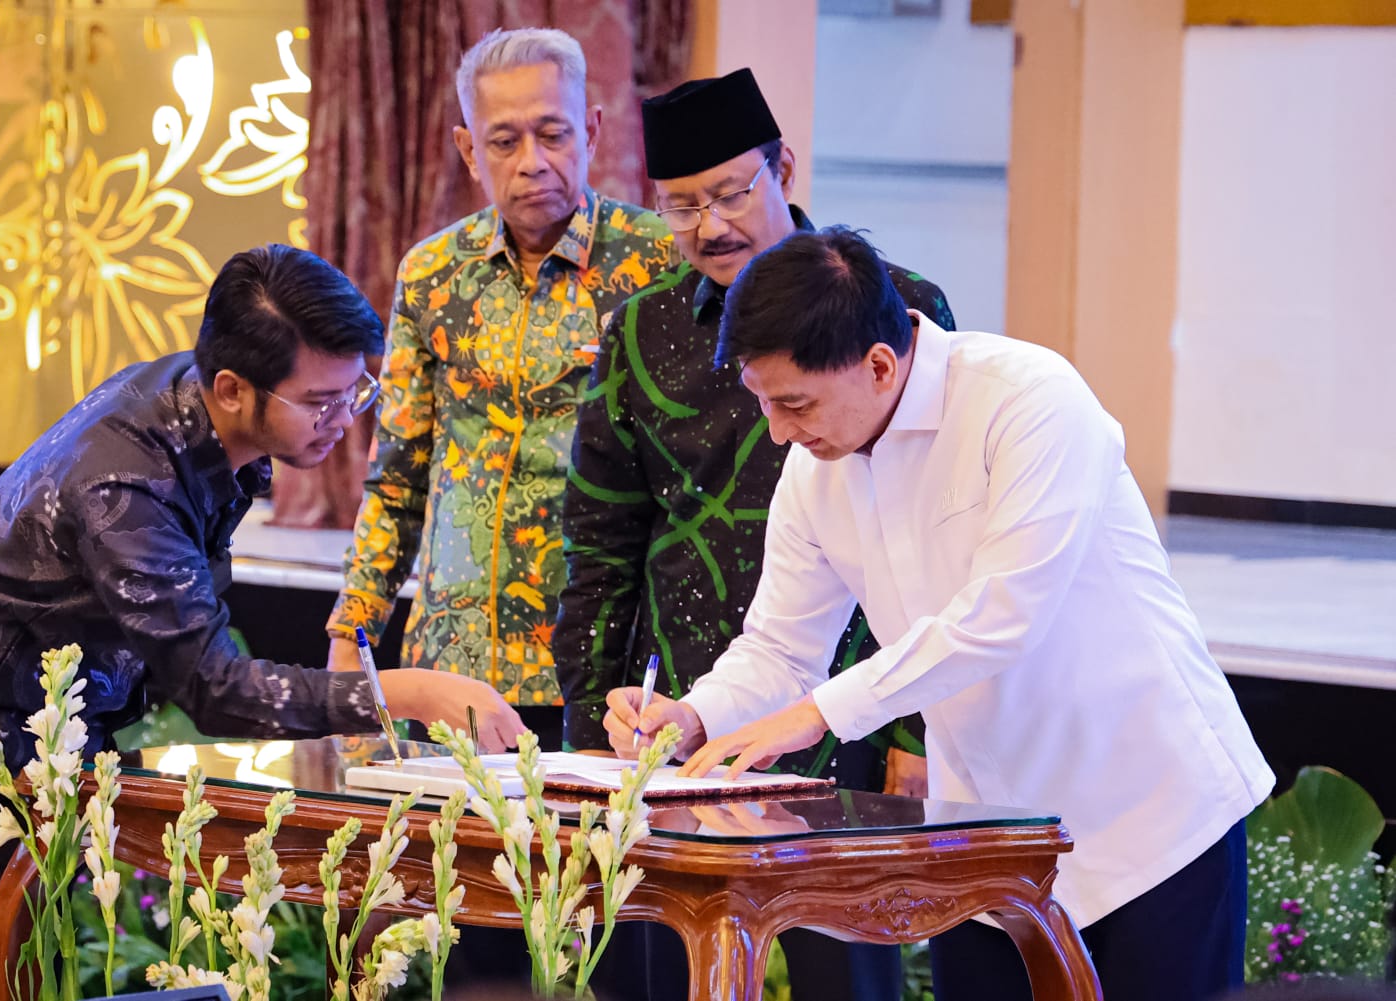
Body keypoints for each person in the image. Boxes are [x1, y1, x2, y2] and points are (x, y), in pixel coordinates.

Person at [610, 227, 1275, 1001]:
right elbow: (781, 649)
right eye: (764, 403)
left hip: (1149, 818)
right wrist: (694, 717)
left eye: (794, 403)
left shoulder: (1028, 398)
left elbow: (1002, 617)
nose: (779, 430)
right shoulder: (814, 469)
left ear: (879, 364)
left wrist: (817, 714)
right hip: (991, 834)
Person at [0, 244, 525, 1001]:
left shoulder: (195, 412)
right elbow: (214, 688)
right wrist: (410, 691)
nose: (342, 422)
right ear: (231, 388)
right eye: (320, 402)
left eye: (353, 393)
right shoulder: (129, 478)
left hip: (44, 726)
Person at [552, 68, 952, 1000]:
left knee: (845, 969)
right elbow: (601, 540)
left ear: (785, 169)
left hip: (851, 699)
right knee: (661, 963)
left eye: (732, 192)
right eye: (681, 206)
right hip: (689, 712)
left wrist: (916, 728)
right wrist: (588, 724)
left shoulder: (891, 303)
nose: (710, 225)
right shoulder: (640, 331)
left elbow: (939, 549)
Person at [324, 27, 673, 750]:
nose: (532, 162)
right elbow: (397, 476)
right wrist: (349, 639)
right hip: (451, 668)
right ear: (467, 149)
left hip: (602, 670)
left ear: (592, 130)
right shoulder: (431, 273)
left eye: (553, 134)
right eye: (505, 141)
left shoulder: (657, 265)